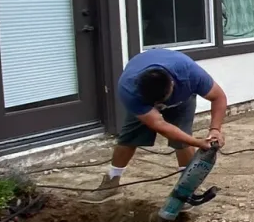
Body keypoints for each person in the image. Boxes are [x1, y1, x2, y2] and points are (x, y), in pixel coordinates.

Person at [92, 48, 227, 199]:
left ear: (172, 84)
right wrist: (197, 142)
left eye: (161, 101)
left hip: (182, 99)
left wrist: (215, 129)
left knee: (182, 140)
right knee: (128, 138)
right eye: (155, 103)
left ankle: (187, 190)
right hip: (143, 102)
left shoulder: (190, 75)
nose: (160, 106)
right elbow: (159, 125)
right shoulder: (129, 89)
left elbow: (219, 97)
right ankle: (111, 182)